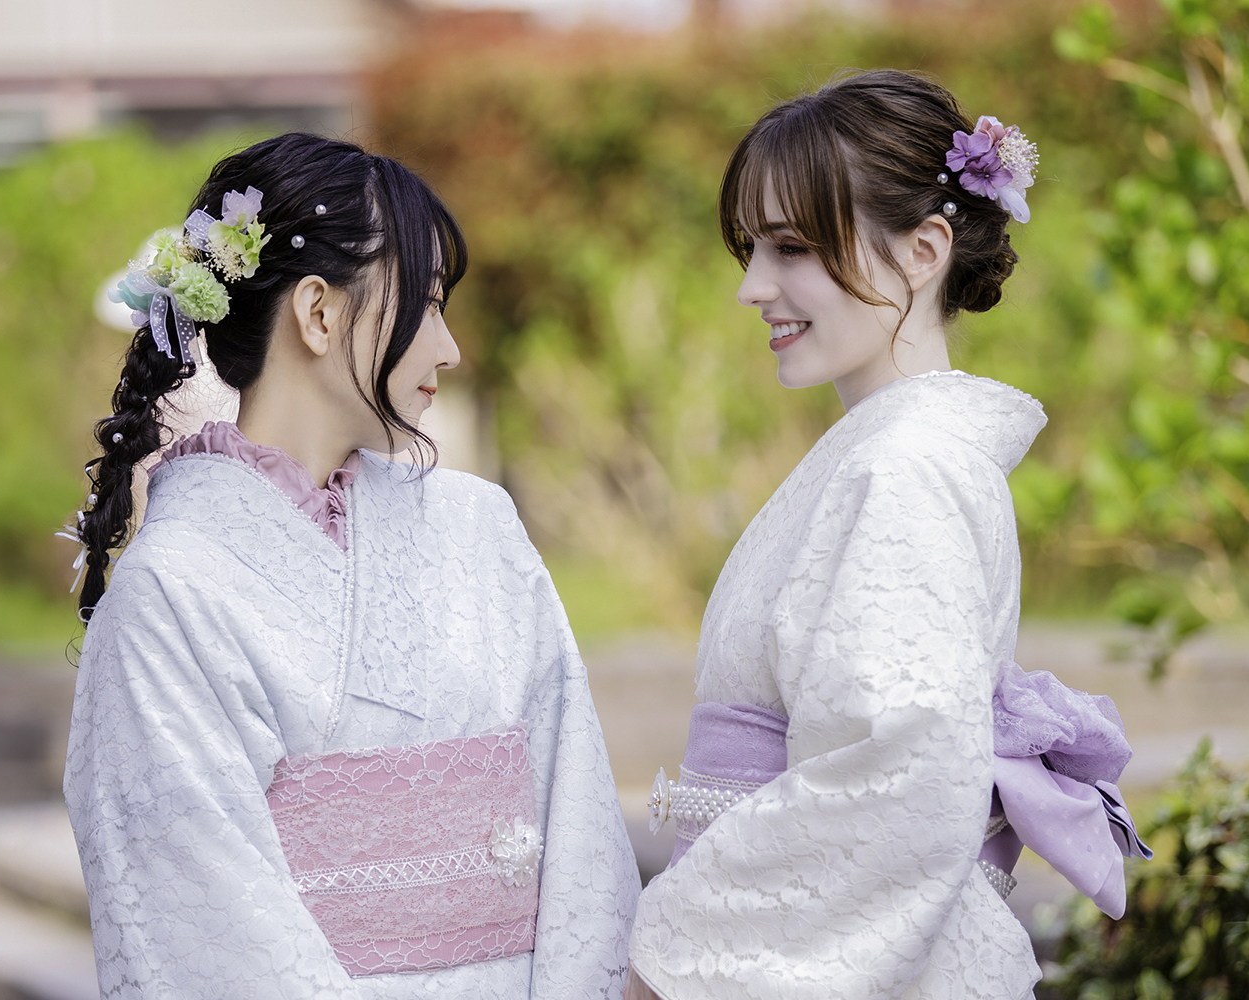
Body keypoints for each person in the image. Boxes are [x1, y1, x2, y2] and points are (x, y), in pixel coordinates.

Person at [62, 133, 639, 999]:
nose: (448, 348)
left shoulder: (480, 526)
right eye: (428, 306)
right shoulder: (168, 596)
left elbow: (581, 820)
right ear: (319, 313)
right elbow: (207, 936)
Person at [626, 71, 1147, 999]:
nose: (753, 286)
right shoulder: (892, 453)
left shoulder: (907, 467)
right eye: (751, 248)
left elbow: (895, 775)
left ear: (924, 250)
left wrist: (673, 968)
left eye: (791, 247)